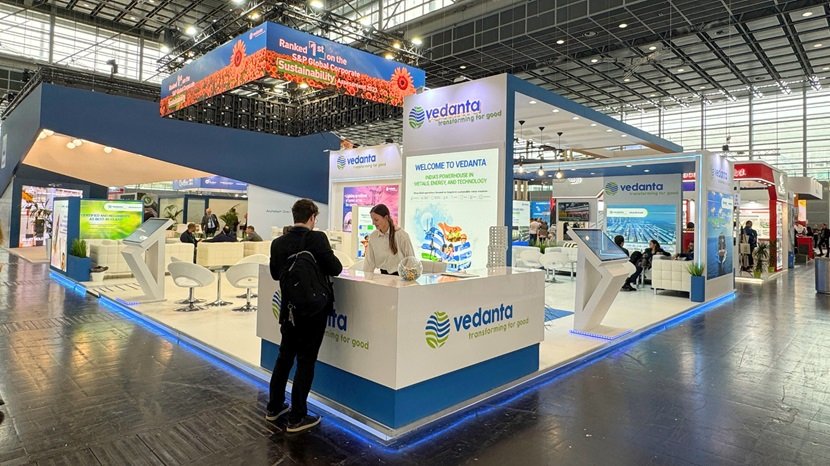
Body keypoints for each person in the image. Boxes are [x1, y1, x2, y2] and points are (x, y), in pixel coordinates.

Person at [267, 199, 343, 432]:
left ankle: (274, 407)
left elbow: (274, 274)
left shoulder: (278, 243)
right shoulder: (317, 238)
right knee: (306, 361)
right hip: (313, 312)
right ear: (312, 217)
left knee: (284, 358)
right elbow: (336, 268)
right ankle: (297, 416)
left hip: (289, 310)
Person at [364, 204, 415, 275]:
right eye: (372, 220)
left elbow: (411, 259)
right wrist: (366, 278)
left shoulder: (401, 235)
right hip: (382, 277)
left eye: (376, 220)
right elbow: (369, 262)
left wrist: (407, 278)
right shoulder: (373, 237)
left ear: (386, 217)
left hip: (400, 277)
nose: (373, 223)